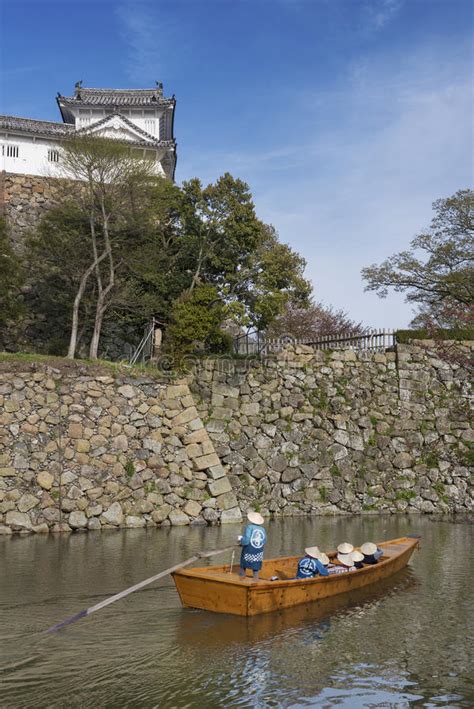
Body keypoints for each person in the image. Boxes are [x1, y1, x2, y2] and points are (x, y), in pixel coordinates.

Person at [238, 511, 267, 580]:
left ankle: (242, 575)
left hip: (249, 548)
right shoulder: (262, 529)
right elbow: (264, 540)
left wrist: (241, 540)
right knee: (256, 563)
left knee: (243, 561)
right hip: (258, 549)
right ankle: (255, 577)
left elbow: (247, 540)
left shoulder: (249, 527)